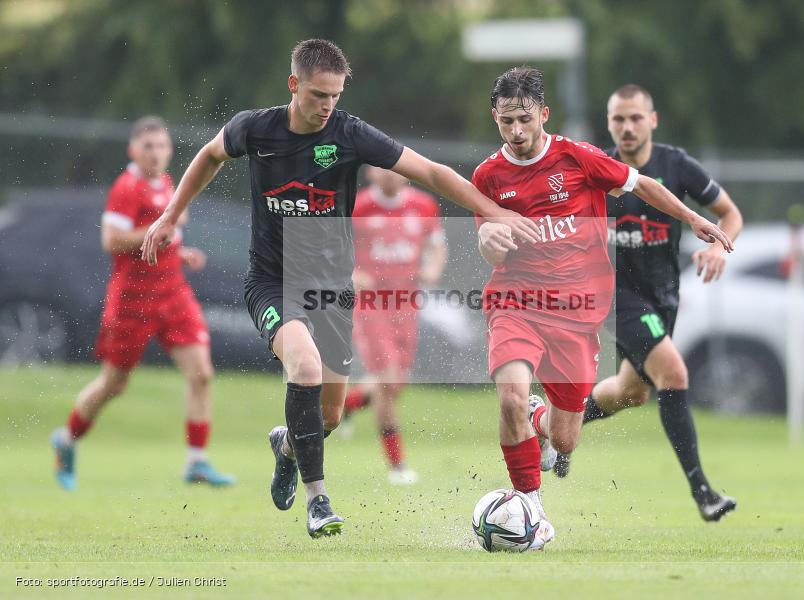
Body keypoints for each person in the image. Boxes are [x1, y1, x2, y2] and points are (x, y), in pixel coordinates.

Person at [140, 39, 539, 539]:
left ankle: (288, 446)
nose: (327, 105)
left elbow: (431, 172)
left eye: (335, 96)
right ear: (294, 85)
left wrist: (494, 211)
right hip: (272, 283)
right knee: (303, 367)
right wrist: (171, 214)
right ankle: (318, 500)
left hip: (332, 292)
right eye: (318, 94)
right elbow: (209, 154)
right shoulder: (255, 128)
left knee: (327, 415)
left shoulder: (350, 135)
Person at [473, 68, 733, 549]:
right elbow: (489, 247)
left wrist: (695, 218)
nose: (516, 131)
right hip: (516, 302)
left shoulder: (578, 157)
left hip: (576, 314)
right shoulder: (487, 176)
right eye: (506, 121)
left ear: (543, 114)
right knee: (509, 395)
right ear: (495, 117)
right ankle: (532, 508)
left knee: (565, 438)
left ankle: (538, 421)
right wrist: (490, 238)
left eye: (524, 119)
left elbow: (645, 186)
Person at [579, 84, 743, 522]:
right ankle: (703, 493)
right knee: (675, 373)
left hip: (662, 294)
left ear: (653, 120)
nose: (627, 127)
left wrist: (716, 249)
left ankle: (558, 427)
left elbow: (730, 213)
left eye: (635, 118)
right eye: (618, 119)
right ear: (609, 123)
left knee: (631, 392)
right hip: (612, 292)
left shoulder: (676, 164)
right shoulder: (598, 166)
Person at [51, 116, 235, 491]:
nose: (156, 153)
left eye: (163, 145)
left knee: (201, 374)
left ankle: (197, 461)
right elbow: (112, 240)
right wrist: (156, 231)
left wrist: (181, 253)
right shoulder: (126, 187)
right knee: (114, 384)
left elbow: (163, 238)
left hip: (173, 292)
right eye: (148, 146)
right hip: (133, 301)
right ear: (133, 150)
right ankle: (66, 439)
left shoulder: (168, 183)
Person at [342, 166, 447, 485]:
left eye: (395, 167)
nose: (390, 174)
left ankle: (347, 402)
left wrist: (432, 269)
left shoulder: (423, 204)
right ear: (370, 172)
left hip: (407, 304)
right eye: (381, 168)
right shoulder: (356, 206)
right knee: (388, 380)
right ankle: (398, 466)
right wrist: (353, 274)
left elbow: (438, 245)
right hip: (371, 306)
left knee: (396, 385)